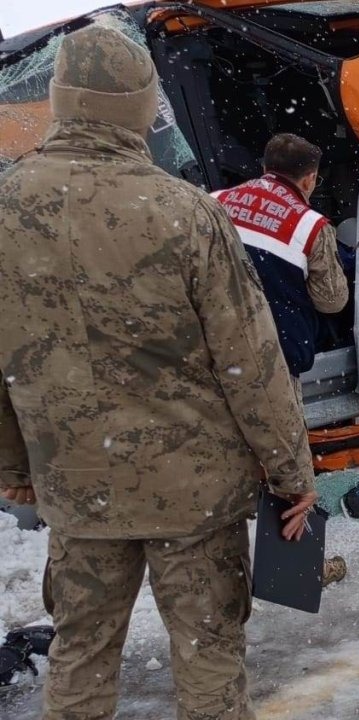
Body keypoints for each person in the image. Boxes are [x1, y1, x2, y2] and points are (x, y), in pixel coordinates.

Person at [0, 25, 317, 719]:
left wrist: (15, 464)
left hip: (78, 483)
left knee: (80, 653)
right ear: (143, 108)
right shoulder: (186, 212)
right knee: (209, 653)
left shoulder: (8, 207)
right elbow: (251, 361)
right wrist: (290, 470)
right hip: (194, 491)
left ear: (60, 98)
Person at [214, 134, 349, 381]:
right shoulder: (312, 226)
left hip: (215, 344)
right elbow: (331, 301)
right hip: (275, 359)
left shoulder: (214, 201)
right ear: (309, 180)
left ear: (265, 168)